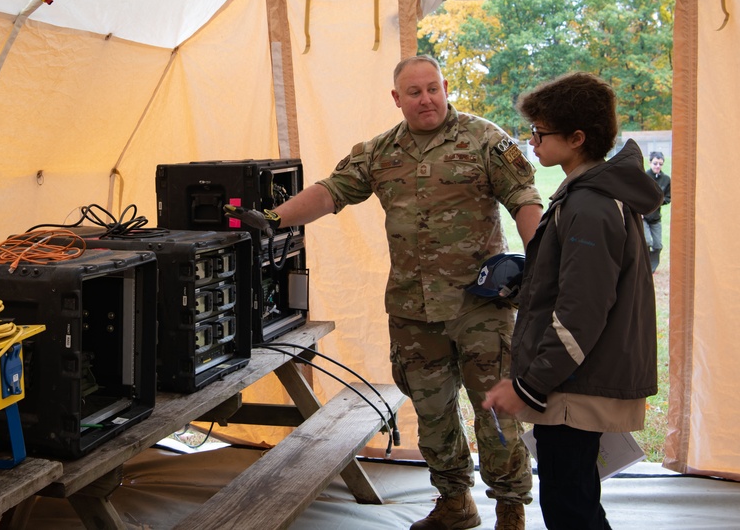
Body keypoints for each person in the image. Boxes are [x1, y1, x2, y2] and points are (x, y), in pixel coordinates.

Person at [228, 55, 542, 530]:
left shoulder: (484, 139)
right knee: (433, 414)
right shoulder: (380, 152)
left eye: (433, 88)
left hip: (480, 308)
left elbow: (524, 200)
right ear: (397, 99)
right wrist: (275, 220)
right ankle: (455, 503)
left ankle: (509, 509)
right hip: (413, 312)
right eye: (414, 92)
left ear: (446, 86)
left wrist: (538, 265)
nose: (426, 99)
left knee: (495, 413)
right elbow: (331, 191)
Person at [482, 73, 663, 530]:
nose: (532, 142)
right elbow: (576, 283)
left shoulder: (592, 205)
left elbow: (582, 312)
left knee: (570, 506)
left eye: (540, 133)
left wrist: (529, 385)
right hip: (576, 379)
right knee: (574, 495)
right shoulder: (584, 197)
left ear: (577, 138)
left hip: (577, 383)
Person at [642, 150, 671, 272]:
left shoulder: (666, 179)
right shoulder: (644, 177)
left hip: (656, 218)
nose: (657, 166)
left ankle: (652, 268)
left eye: (660, 164)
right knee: (647, 241)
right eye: (655, 163)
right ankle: (644, 265)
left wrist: (659, 201)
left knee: (657, 245)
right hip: (643, 216)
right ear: (649, 163)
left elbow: (668, 197)